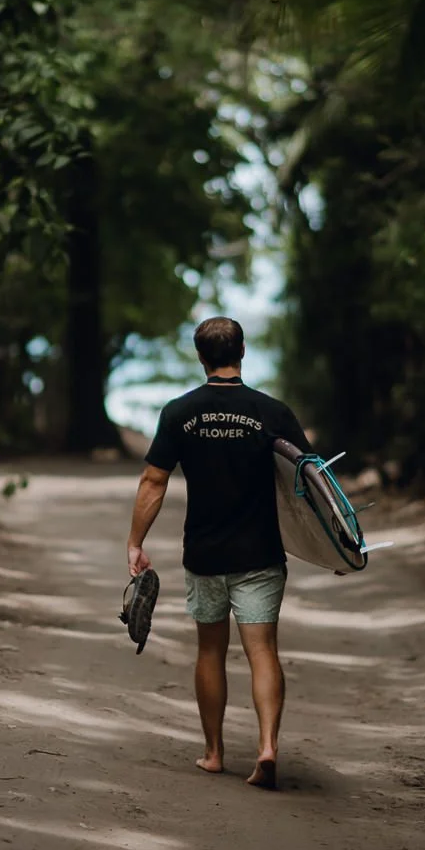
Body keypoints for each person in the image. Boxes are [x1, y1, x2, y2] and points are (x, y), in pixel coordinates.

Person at [126, 316, 310, 790]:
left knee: (210, 650)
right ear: (242, 351)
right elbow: (308, 483)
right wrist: (331, 550)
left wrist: (136, 542)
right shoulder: (272, 412)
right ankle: (267, 746)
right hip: (261, 553)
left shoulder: (179, 412)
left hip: (205, 552)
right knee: (262, 650)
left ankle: (214, 753)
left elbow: (154, 480)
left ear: (200, 356)